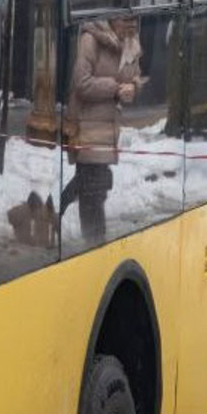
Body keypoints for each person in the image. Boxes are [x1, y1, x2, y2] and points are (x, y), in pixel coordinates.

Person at [60, 16, 144, 244]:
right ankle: (95, 244)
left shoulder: (131, 43)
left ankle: (59, 209)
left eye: (134, 20)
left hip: (109, 130)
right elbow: (82, 83)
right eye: (127, 20)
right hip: (87, 125)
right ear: (113, 19)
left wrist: (133, 88)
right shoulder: (91, 39)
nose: (132, 24)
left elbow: (136, 75)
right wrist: (116, 89)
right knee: (93, 190)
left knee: (93, 185)